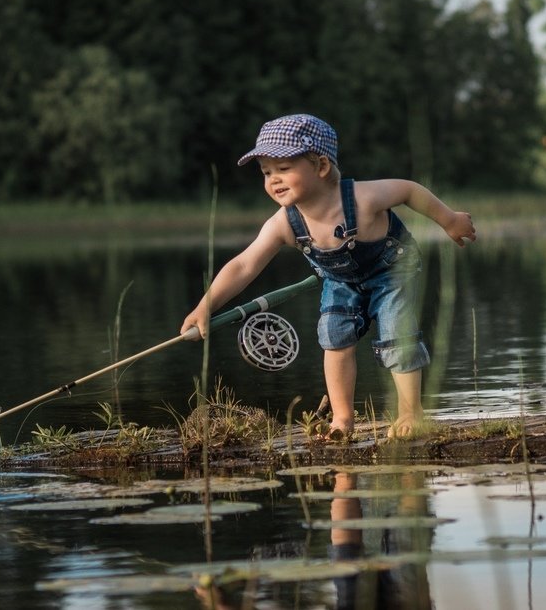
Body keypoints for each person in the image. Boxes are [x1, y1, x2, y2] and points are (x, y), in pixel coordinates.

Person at [180, 114, 476, 440]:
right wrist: (205, 305)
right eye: (266, 172)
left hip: (392, 270)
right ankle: (342, 418)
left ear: (321, 166)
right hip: (341, 281)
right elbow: (243, 265)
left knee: (396, 334)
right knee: (334, 337)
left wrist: (449, 219)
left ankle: (410, 412)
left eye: (283, 168)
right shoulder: (284, 223)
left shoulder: (362, 198)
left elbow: (408, 190)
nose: (274, 179)